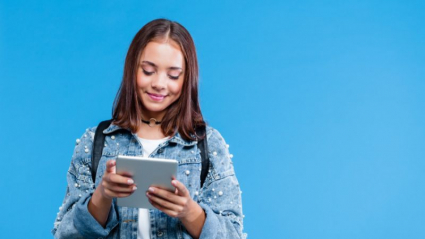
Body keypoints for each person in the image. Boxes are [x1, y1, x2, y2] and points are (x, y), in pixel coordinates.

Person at [52, 18, 245, 239]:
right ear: (132, 69)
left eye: (173, 75)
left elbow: (232, 234)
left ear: (187, 78)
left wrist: (189, 211)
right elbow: (65, 234)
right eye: (148, 70)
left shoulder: (208, 145)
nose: (159, 84)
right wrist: (102, 196)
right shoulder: (95, 141)